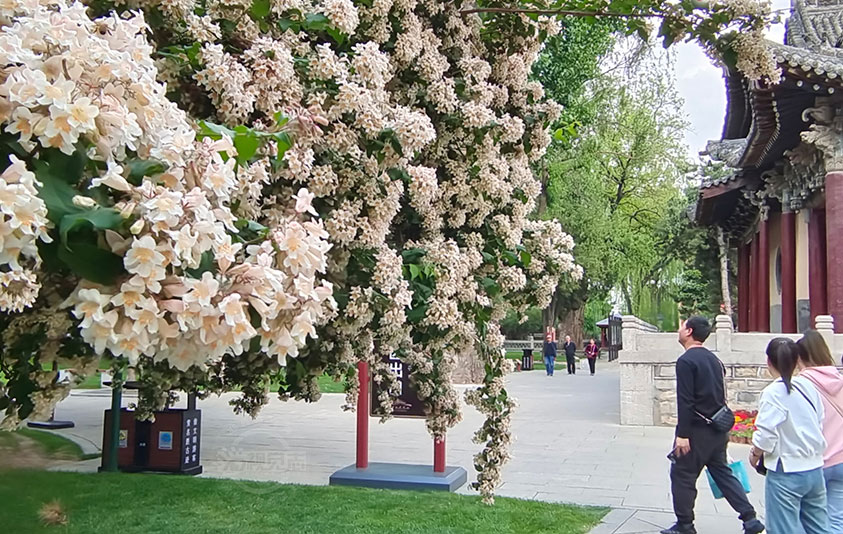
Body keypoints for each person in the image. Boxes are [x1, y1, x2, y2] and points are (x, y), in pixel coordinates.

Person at [662, 316, 764, 534]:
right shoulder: (714, 360)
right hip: (717, 430)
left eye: (681, 326)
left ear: (689, 331)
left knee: (682, 475)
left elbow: (686, 400)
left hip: (696, 431)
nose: (679, 330)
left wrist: (683, 434)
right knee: (723, 474)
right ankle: (750, 518)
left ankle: (685, 524)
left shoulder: (686, 361)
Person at [749, 337, 828, 534]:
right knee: (819, 527)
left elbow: (766, 435)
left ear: (769, 362)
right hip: (814, 466)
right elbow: (820, 418)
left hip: (787, 469)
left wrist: (756, 454)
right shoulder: (808, 387)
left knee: (784, 528)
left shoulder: (773, 393)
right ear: (797, 360)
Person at [797, 330, 843, 534]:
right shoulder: (840, 380)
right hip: (841, 460)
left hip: (814, 462)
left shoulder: (801, 386)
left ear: (800, 357)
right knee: (836, 519)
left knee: (808, 520)